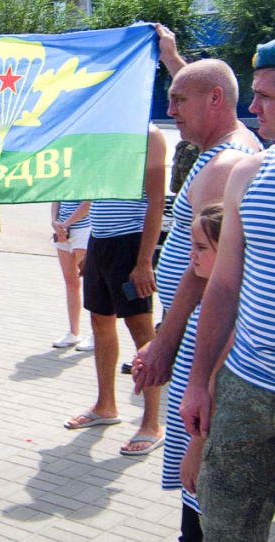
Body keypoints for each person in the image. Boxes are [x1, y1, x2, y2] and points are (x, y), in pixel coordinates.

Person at [180, 39, 275, 542]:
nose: (254, 107)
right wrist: (198, 383)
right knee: (228, 525)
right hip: (247, 386)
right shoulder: (249, 174)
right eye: (254, 93)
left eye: (267, 97)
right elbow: (223, 285)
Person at [133, 28, 258, 395]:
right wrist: (171, 58)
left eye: (178, 101)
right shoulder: (223, 147)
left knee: (189, 443)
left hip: (201, 329)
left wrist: (164, 342)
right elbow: (203, 88)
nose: (171, 111)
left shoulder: (224, 164)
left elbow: (207, 268)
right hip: (194, 325)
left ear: (215, 100)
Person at [64, 123, 166, 456]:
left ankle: (152, 423)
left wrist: (144, 261)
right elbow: (99, 196)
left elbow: (156, 202)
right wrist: (92, 249)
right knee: (100, 323)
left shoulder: (149, 134)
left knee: (143, 334)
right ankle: (105, 406)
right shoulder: (104, 133)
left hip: (132, 244)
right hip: (101, 242)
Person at [157, 204, 223, 542]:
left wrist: (197, 446)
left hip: (205, 442)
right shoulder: (210, 295)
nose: (190, 255)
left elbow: (217, 388)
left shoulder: (230, 308)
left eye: (200, 248)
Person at [50, 201, 92, 349]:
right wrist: (54, 221)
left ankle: (96, 333)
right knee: (71, 282)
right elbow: (56, 197)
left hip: (83, 229)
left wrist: (66, 224)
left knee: (90, 282)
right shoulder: (64, 176)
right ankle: (74, 333)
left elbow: (88, 203)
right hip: (62, 230)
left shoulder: (89, 176)